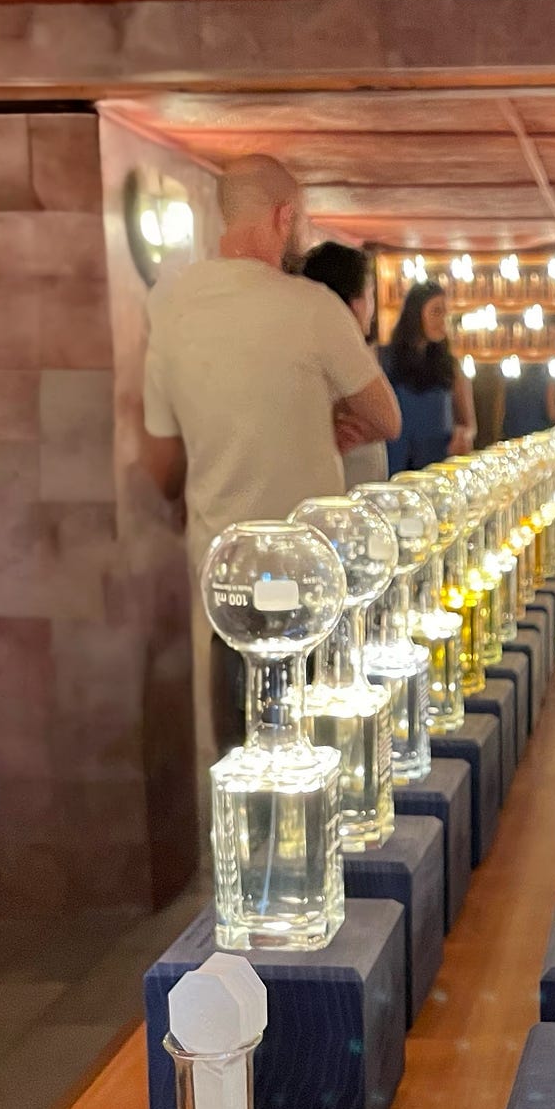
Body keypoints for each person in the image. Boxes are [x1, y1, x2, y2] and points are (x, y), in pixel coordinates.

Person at [142, 155, 401, 752]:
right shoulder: (313, 308)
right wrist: (335, 419)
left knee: (240, 756)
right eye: (304, 222)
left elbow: (161, 465)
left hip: (223, 584)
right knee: (318, 752)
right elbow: (386, 417)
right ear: (286, 218)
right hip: (309, 577)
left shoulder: (170, 308)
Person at [300, 240, 394, 485]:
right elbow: (392, 423)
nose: (372, 309)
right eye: (371, 294)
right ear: (355, 303)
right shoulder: (347, 361)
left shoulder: (298, 352)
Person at [382, 281, 476, 471]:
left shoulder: (450, 365)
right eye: (436, 311)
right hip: (394, 460)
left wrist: (463, 436)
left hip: (437, 464)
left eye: (445, 313)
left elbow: (468, 424)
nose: (443, 320)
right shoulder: (385, 358)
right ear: (415, 314)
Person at [501, 361, 555, 439]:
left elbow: (502, 408)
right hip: (539, 433)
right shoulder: (545, 375)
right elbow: (552, 411)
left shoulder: (510, 372)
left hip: (514, 431)